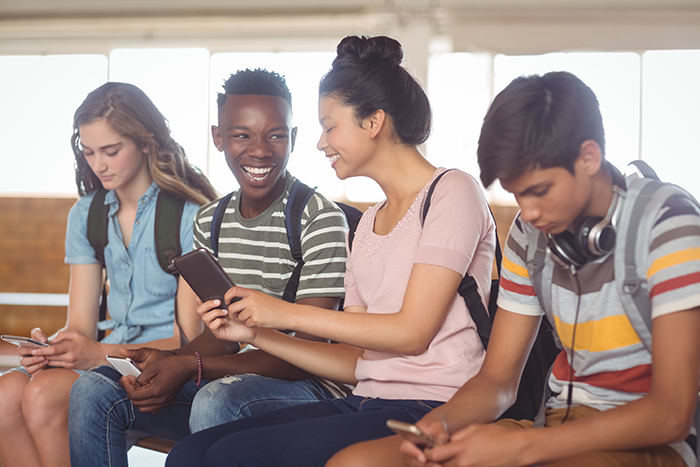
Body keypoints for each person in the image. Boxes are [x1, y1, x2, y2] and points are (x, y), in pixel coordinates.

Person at [329, 71, 700, 467]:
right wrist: (439, 425)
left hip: (643, 440)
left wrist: (520, 448)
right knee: (358, 462)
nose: (529, 211)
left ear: (588, 158)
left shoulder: (667, 222)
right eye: (517, 193)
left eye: (540, 190)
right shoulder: (531, 233)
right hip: (552, 426)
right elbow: (497, 380)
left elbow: (670, 414)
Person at [164, 34, 496, 467]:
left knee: (230, 456)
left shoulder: (452, 191)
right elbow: (356, 359)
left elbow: (412, 333)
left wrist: (279, 313)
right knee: (190, 454)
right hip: (369, 400)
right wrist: (255, 334)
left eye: (329, 126)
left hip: (433, 407)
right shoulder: (367, 224)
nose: (321, 143)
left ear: (373, 123)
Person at [68, 68, 351, 467]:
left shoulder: (318, 219)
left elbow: (305, 355)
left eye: (275, 135)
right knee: (95, 392)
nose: (259, 151)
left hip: (304, 389)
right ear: (218, 137)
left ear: (294, 138)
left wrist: (189, 365)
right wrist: (168, 362)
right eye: (242, 135)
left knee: (217, 399)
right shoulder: (211, 222)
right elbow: (221, 337)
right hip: (228, 378)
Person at [0, 82, 217, 467]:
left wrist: (96, 352)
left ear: (146, 143)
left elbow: (192, 342)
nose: (97, 164)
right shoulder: (87, 214)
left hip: (161, 368)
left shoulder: (191, 215)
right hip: (108, 358)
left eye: (111, 151)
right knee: (5, 394)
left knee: (43, 393)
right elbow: (81, 324)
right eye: (88, 152)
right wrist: (56, 349)